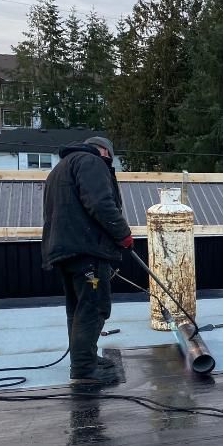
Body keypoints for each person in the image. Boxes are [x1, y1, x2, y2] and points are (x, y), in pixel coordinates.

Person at [41, 136, 133, 385]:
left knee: (78, 308)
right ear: (104, 150)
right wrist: (123, 234)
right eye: (110, 159)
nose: (109, 163)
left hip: (64, 250)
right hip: (87, 250)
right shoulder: (91, 162)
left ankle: (85, 359)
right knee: (93, 307)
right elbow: (101, 203)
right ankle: (84, 368)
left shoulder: (60, 169)